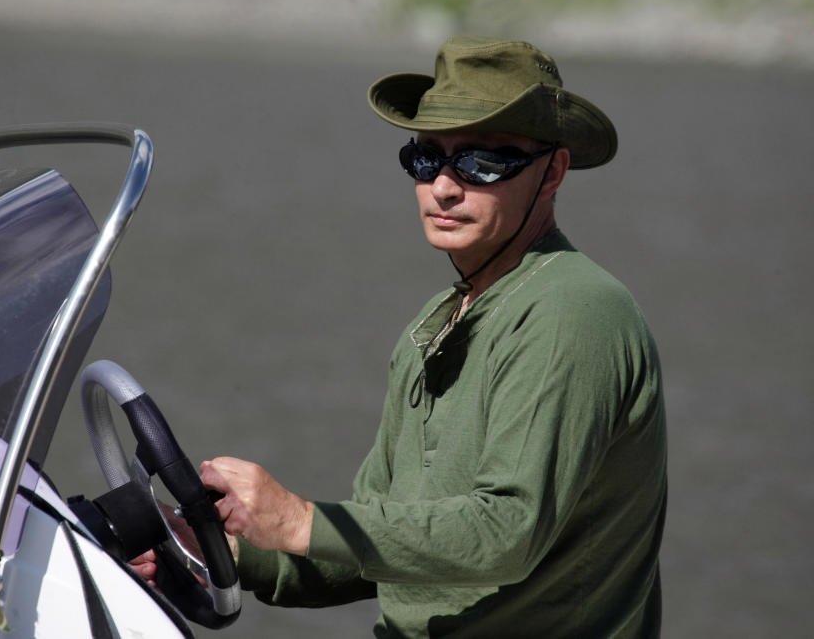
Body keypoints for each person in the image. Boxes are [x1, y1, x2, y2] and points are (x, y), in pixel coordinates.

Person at [135, 36, 667, 638]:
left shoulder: (573, 310)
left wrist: (298, 519)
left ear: (554, 172)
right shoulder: (435, 320)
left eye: (482, 160)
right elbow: (383, 550)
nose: (443, 186)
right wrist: (221, 549)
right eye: (426, 157)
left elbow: (506, 533)